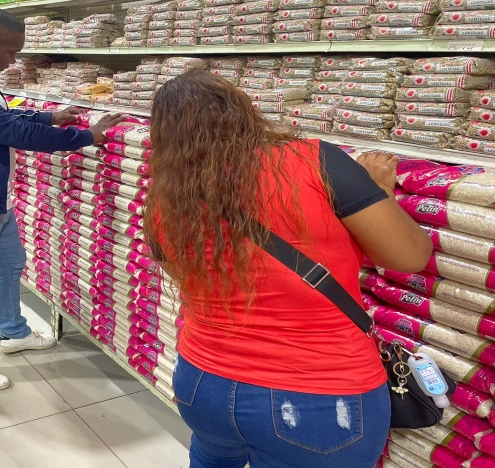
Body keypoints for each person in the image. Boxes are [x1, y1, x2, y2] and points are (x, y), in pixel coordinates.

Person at [143, 71, 433, 468]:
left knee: (210, 459)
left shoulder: (165, 200)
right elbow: (409, 256)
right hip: (319, 395)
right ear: (244, 112)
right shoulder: (314, 161)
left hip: (203, 382)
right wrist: (379, 189)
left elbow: (188, 279)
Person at [0, 7, 124, 391]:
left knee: (10, 265)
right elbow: (8, 131)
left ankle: (13, 332)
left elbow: (1, 116)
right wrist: (86, 136)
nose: (14, 61)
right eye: (11, 52)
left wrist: (48, 118)